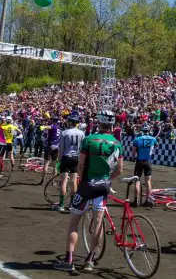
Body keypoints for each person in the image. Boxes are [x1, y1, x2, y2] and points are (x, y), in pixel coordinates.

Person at [55, 110, 123, 273]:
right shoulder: (116, 143)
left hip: (87, 185)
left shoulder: (89, 139)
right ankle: (90, 260)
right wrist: (107, 178)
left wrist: (80, 178)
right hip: (102, 186)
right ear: (112, 124)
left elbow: (80, 164)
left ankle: (69, 259)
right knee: (98, 225)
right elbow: (119, 170)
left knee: (73, 224)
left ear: (99, 123)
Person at [55, 115, 85, 212]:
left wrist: (59, 160)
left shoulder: (65, 133)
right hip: (76, 158)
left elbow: (61, 148)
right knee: (73, 181)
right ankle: (72, 204)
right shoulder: (81, 133)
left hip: (66, 157)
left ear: (70, 122)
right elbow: (82, 148)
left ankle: (61, 204)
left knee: (64, 181)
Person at [132, 124, 158, 207]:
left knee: (137, 180)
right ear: (149, 131)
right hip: (148, 161)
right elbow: (156, 145)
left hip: (139, 161)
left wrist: (133, 157)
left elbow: (133, 151)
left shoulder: (137, 139)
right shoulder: (153, 139)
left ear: (142, 131)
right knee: (148, 181)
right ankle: (148, 200)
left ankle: (136, 200)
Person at [40, 118, 60, 186]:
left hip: (50, 146)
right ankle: (53, 181)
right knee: (55, 166)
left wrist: (42, 127)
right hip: (56, 147)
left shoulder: (53, 126)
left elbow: (48, 127)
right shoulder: (59, 128)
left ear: (53, 121)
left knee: (46, 164)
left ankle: (42, 180)